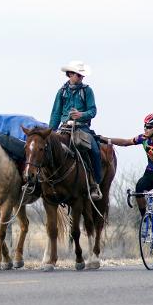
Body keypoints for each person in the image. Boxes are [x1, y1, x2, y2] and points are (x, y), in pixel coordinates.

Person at [99, 113, 153, 260]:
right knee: (139, 189)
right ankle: (145, 218)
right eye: (144, 126)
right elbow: (126, 142)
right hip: (150, 173)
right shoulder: (143, 138)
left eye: (149, 127)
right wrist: (105, 139)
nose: (145, 129)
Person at [48, 60, 102, 200]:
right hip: (64, 126)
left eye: (82, 75)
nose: (81, 77)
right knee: (47, 149)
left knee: (95, 150)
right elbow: (56, 113)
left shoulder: (87, 91)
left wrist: (81, 115)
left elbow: (93, 110)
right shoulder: (62, 92)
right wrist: (50, 132)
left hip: (82, 127)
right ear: (70, 74)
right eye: (78, 75)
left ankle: (94, 184)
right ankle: (43, 182)